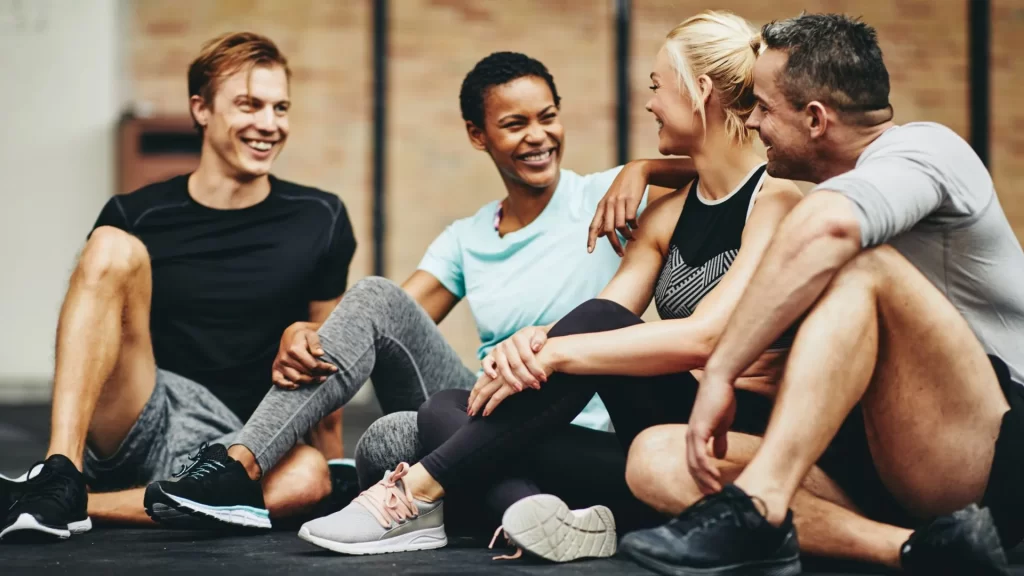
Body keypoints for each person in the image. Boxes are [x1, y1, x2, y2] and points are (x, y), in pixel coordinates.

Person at [296, 11, 807, 560]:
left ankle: (414, 495)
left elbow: (704, 339)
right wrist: (533, 344)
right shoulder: (666, 215)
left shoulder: (774, 200)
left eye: (658, 86)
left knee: (575, 341)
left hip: (729, 440)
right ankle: (533, 515)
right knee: (448, 408)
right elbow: (604, 309)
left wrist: (555, 350)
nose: (651, 102)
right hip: (648, 446)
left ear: (699, 90)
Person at [139, 51, 698, 533]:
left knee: (398, 441)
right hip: (479, 413)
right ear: (478, 135)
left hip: (576, 425)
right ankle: (240, 465)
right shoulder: (468, 237)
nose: (538, 136)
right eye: (515, 123)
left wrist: (645, 168)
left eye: (548, 118)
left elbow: (733, 167)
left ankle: (511, 505)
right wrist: (306, 334)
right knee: (386, 433)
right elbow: (379, 323)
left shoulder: (604, 195)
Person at [617, 13, 1024, 576]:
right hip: (878, 458)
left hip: (993, 447)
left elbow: (832, 229)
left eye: (762, 107)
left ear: (814, 119)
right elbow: (738, 176)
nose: (752, 120)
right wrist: (647, 168)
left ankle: (759, 509)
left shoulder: (926, 152)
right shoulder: (835, 187)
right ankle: (920, 549)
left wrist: (720, 370)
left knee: (862, 267)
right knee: (656, 459)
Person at [0, 32, 359, 540]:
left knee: (308, 478)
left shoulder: (320, 217)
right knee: (109, 245)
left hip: (244, 442)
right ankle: (60, 472)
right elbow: (98, 337)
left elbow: (324, 357)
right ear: (202, 109)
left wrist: (336, 466)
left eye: (280, 108)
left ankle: (71, 504)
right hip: (145, 413)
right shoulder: (137, 213)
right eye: (249, 104)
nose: (269, 124)